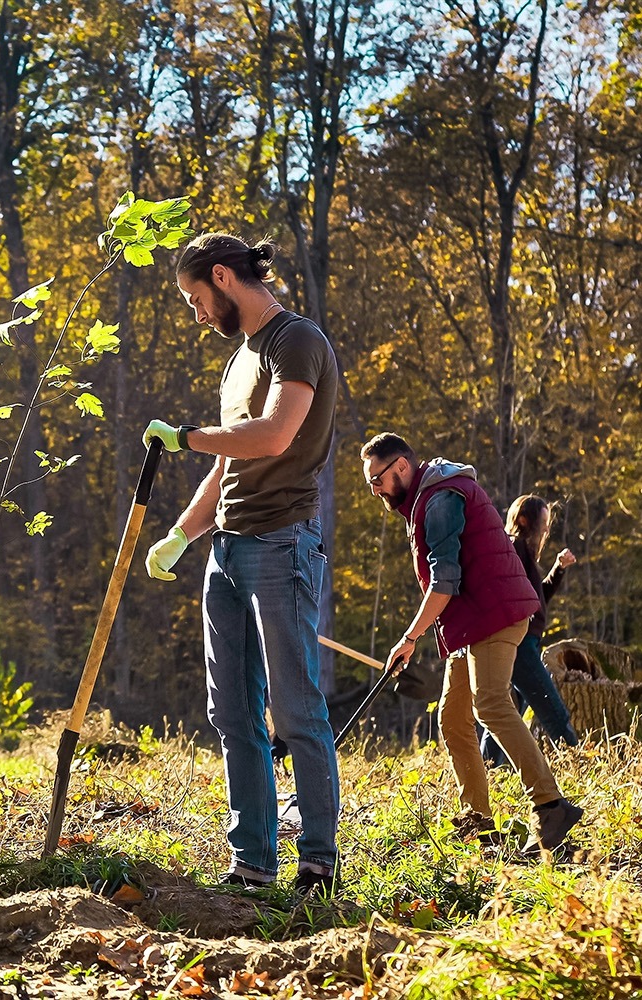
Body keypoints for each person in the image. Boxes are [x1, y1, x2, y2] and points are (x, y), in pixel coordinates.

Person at [141, 233, 341, 897]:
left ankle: (317, 863)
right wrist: (181, 535)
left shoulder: (296, 340)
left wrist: (186, 437)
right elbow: (230, 464)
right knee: (232, 713)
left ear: (223, 278)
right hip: (226, 551)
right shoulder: (238, 363)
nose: (196, 314)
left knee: (296, 709)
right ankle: (253, 863)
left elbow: (275, 436)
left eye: (197, 298)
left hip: (282, 543)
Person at [362, 433, 583, 853]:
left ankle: (551, 806)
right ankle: (479, 823)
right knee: (452, 717)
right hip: (472, 622)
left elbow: (444, 581)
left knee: (491, 703)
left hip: (495, 613)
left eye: (378, 479)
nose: (375, 489)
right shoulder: (427, 498)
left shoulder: (441, 499)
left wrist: (409, 638)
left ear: (403, 468)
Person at [479, 496, 580, 765]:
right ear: (525, 521)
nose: (546, 529)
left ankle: (489, 768)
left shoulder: (522, 553)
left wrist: (558, 569)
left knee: (507, 711)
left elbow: (536, 598)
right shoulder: (513, 548)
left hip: (528, 643)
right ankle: (580, 764)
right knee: (552, 710)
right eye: (543, 522)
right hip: (520, 644)